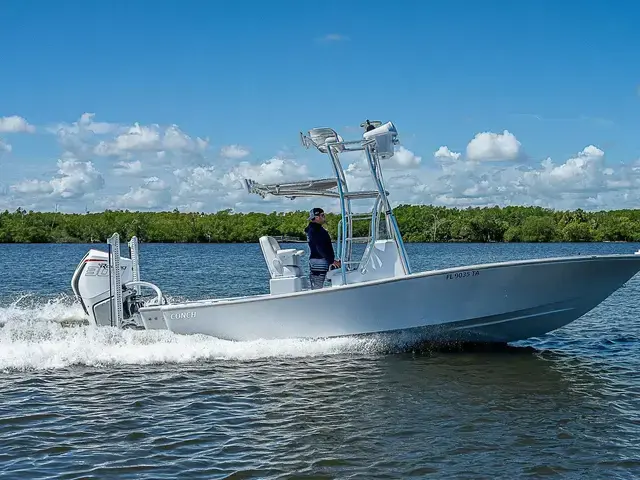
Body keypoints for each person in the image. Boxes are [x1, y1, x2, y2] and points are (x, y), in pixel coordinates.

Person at [304, 207, 341, 289]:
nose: (324, 217)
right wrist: (332, 261)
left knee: (317, 285)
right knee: (317, 286)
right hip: (319, 261)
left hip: (317, 260)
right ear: (317, 217)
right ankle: (316, 300)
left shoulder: (313, 230)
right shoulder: (316, 231)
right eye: (323, 215)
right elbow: (319, 247)